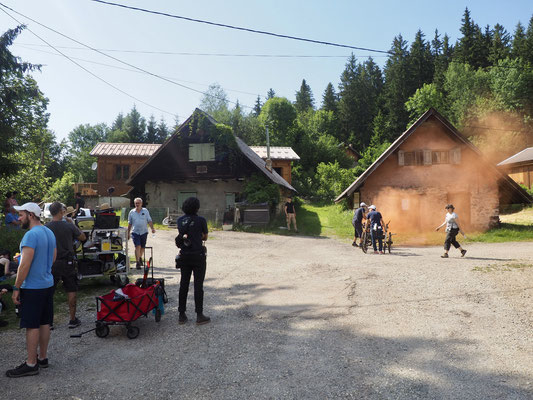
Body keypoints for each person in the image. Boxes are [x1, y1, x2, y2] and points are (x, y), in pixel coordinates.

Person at [6, 202, 56, 378]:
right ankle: (42, 357)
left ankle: (31, 363)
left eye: (21, 215)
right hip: (47, 284)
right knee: (44, 322)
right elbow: (53, 256)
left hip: (33, 287)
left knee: (32, 325)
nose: (18, 218)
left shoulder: (30, 235)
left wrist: (16, 287)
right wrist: (43, 270)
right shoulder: (49, 232)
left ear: (31, 215)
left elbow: (25, 264)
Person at [46, 201, 86, 329]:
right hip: (68, 261)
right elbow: (83, 238)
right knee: (71, 289)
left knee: (49, 292)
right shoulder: (69, 225)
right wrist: (73, 224)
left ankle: (49, 322)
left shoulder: (46, 227)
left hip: (52, 262)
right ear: (61, 212)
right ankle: (73, 320)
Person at [175, 197, 210, 325]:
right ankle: (199, 315)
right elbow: (205, 236)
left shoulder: (180, 220)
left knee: (183, 284)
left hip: (184, 255)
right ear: (197, 207)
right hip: (198, 256)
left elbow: (183, 235)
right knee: (198, 285)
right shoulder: (201, 220)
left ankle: (181, 315)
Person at [127, 197, 155, 269]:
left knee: (142, 247)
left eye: (138, 203)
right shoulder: (132, 212)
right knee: (137, 246)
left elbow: (149, 220)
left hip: (144, 232)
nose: (137, 204)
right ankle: (138, 263)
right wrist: (128, 233)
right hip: (135, 232)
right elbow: (130, 223)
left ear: (141, 204)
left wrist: (152, 228)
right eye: (136, 203)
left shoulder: (145, 211)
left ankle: (139, 257)